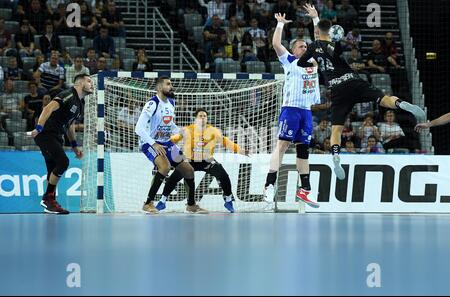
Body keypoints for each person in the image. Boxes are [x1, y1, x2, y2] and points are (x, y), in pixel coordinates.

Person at [296, 14, 425, 180]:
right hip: (353, 81)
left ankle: (335, 156)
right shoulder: (333, 44)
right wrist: (336, 41)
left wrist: (314, 65)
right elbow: (335, 51)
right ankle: (402, 104)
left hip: (337, 90)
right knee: (384, 98)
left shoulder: (313, 46)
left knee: (336, 129)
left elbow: (300, 63)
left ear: (317, 31)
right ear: (330, 31)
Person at [263, 11, 321, 209]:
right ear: (294, 50)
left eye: (306, 45)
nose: (304, 47)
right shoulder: (290, 61)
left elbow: (320, 40)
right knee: (283, 145)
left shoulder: (313, 62)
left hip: (306, 111)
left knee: (303, 150)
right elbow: (276, 44)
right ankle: (269, 185)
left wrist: (315, 19)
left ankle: (305, 190)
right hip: (290, 109)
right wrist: (280, 24)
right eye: (300, 46)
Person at [134, 76, 208, 214]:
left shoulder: (172, 103)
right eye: (168, 84)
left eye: (171, 84)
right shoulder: (152, 103)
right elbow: (138, 128)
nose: (171, 86)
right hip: (149, 143)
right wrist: (154, 144)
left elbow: (168, 123)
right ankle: (148, 203)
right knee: (165, 166)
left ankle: (191, 205)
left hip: (166, 143)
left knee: (188, 170)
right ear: (159, 87)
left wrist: (181, 131)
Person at [153, 108, 249, 213]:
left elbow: (226, 142)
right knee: (174, 178)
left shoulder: (213, 131)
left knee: (223, 175)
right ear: (195, 119)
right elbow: (174, 139)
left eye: (204, 116)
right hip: (189, 160)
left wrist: (240, 150)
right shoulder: (187, 130)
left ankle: (228, 200)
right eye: (200, 116)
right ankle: (162, 201)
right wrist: (158, 143)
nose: (203, 118)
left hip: (207, 160)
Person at [30, 74, 93, 214]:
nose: (92, 84)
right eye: (89, 81)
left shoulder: (80, 105)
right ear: (80, 83)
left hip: (56, 136)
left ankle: (50, 203)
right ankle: (48, 198)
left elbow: (70, 126)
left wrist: (75, 146)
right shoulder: (68, 94)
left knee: (52, 169)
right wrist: (39, 127)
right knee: (63, 162)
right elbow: (48, 108)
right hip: (46, 133)